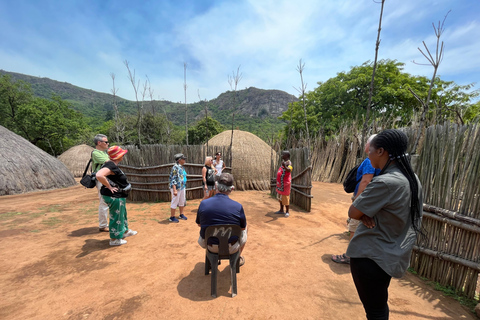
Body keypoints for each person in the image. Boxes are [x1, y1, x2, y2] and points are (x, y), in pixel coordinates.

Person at [346, 129, 423, 319]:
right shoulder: (413, 180)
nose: (368, 154)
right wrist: (364, 212)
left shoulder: (386, 182)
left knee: (375, 312)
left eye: (370, 150)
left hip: (371, 256)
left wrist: (363, 211)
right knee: (379, 308)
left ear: (381, 151)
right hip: (389, 254)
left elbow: (353, 212)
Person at [332, 134, 380, 264]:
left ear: (371, 145)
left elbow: (365, 181)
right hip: (373, 201)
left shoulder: (370, 161)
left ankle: (350, 256)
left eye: (366, 144)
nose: (364, 146)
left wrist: (357, 203)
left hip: (364, 200)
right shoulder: (380, 162)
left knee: (354, 227)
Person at [196, 173, 247, 266]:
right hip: (231, 246)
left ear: (216, 186)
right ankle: (237, 259)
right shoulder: (238, 207)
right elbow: (242, 228)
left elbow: (199, 224)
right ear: (232, 189)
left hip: (209, 245)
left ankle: (212, 260)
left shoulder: (203, 204)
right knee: (246, 228)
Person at [96, 146, 137, 246]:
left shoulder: (112, 165)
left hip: (119, 196)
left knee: (122, 214)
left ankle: (124, 231)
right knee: (116, 216)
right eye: (122, 154)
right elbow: (99, 175)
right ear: (118, 156)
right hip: (114, 196)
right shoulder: (110, 165)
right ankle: (114, 239)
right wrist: (109, 186)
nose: (123, 155)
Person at [92, 134, 110, 232]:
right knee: (103, 201)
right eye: (106, 142)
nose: (108, 144)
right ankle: (103, 225)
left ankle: (107, 223)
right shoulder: (96, 153)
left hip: (107, 179)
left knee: (108, 200)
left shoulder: (103, 152)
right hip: (100, 179)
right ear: (99, 143)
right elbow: (109, 162)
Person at [168, 153, 188, 223]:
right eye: (183, 159)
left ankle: (181, 214)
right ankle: (172, 217)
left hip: (182, 187)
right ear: (179, 160)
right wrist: (174, 190)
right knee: (175, 201)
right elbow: (173, 179)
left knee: (182, 201)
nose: (184, 160)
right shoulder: (175, 167)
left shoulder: (182, 167)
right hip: (176, 187)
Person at [275, 151, 293, 218]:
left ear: (287, 155)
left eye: (283, 154)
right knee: (280, 198)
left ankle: (287, 211)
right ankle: (281, 210)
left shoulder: (289, 162)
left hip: (285, 184)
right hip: (280, 184)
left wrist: (284, 166)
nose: (282, 155)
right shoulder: (284, 162)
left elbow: (289, 170)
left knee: (285, 198)